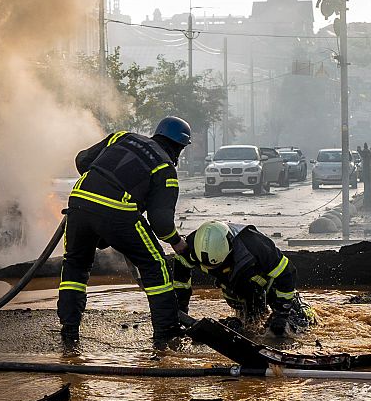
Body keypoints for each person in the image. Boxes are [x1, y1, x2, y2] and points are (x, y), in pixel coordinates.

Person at [58, 117, 191, 349]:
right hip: (119, 212)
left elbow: (82, 159)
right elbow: (161, 223)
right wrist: (176, 242)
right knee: (155, 265)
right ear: (179, 146)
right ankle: (166, 334)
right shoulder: (164, 167)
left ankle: (69, 332)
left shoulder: (122, 136)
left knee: (75, 266)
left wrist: (98, 184)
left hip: (78, 204)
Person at [173, 220, 315, 337]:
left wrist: (281, 314)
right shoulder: (191, 247)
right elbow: (181, 278)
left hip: (268, 285)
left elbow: (287, 273)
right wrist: (181, 308)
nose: (211, 270)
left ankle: (294, 314)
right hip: (235, 288)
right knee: (246, 328)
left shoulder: (257, 246)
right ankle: (242, 324)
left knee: (298, 324)